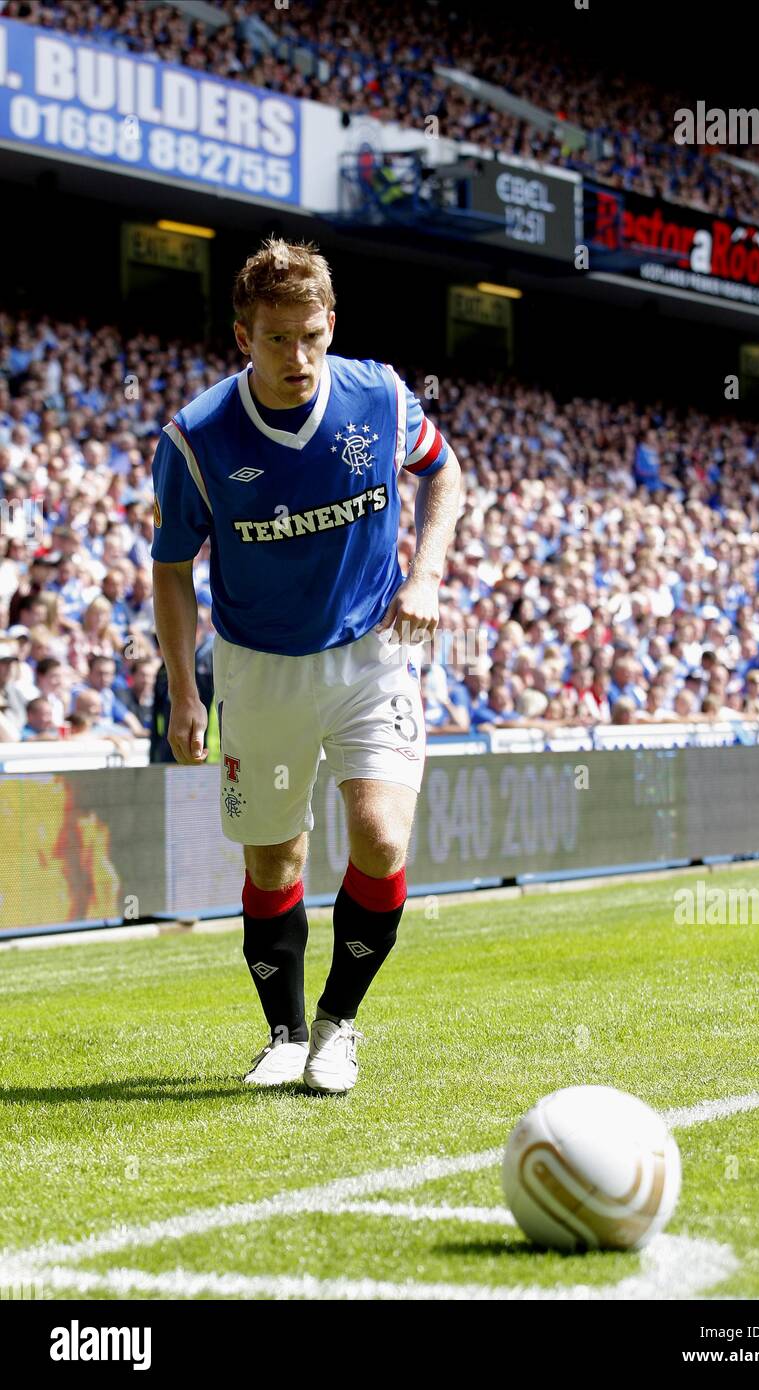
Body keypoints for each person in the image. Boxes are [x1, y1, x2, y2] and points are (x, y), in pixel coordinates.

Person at [151, 239, 462, 1095]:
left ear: (333, 326)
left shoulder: (379, 396)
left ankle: (338, 1024)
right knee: (271, 862)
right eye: (278, 339)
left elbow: (446, 475)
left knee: (381, 834)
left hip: (374, 653)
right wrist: (187, 689)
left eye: (312, 337)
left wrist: (427, 574)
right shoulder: (196, 439)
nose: (298, 357)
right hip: (258, 667)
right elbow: (171, 567)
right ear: (241, 336)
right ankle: (284, 1034)